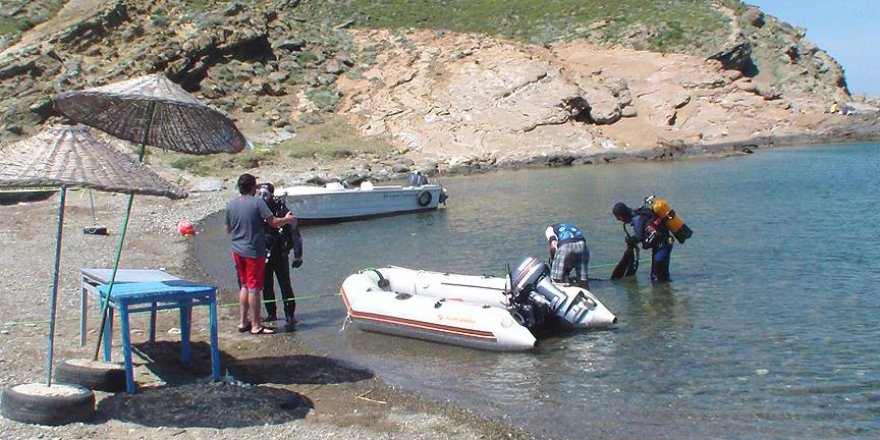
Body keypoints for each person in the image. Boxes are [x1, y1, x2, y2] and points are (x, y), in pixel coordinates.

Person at [225, 173, 295, 335]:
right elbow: (274, 223)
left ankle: (243, 322)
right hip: (253, 252)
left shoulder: (231, 204)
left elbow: (227, 229)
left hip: (237, 250)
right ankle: (256, 325)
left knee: (244, 286)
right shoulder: (257, 203)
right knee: (255, 288)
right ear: (252, 187)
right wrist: (287, 219)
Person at [258, 182, 303, 330]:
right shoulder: (257, 208)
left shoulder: (282, 209)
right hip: (263, 253)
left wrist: (298, 255)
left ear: (271, 195)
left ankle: (290, 315)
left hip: (280, 253)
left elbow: (294, 232)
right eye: (260, 194)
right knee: (266, 285)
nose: (262, 197)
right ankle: (271, 313)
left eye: (265, 194)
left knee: (285, 284)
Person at [612, 201, 673, 282]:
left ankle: (664, 292)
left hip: (663, 245)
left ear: (621, 216)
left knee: (657, 277)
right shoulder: (637, 215)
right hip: (662, 243)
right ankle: (665, 291)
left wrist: (629, 240)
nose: (617, 219)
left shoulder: (637, 218)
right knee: (659, 275)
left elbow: (639, 237)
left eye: (617, 217)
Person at [544, 222, 590, 288]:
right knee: (583, 280)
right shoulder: (571, 226)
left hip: (565, 245)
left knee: (556, 280)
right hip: (582, 245)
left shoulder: (549, 229)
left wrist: (553, 260)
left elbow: (553, 245)